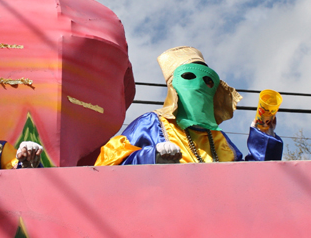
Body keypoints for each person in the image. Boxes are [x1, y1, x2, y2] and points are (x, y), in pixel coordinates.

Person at [95, 46, 283, 165]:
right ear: (173, 87)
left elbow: (253, 181)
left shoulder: (218, 138)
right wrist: (152, 156)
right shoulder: (152, 123)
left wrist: (265, 136)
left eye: (207, 80)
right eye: (189, 77)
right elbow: (108, 166)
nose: (200, 85)